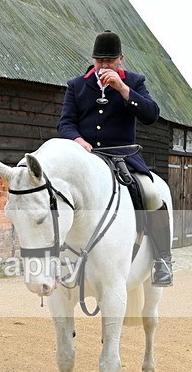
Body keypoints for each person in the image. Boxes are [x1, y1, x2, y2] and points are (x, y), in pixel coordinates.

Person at [58, 30, 173, 287]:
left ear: (121, 59)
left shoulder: (134, 81)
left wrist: (122, 88)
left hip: (124, 157)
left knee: (151, 194)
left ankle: (163, 261)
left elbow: (151, 114)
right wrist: (77, 140)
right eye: (100, 61)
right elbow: (66, 123)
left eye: (109, 61)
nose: (104, 66)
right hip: (86, 158)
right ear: (93, 59)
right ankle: (57, 258)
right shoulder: (76, 85)